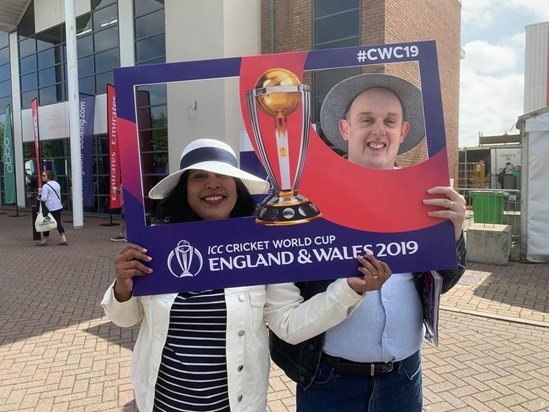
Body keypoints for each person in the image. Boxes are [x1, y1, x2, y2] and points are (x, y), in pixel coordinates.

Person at [101, 138, 392, 412]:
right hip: (164, 403)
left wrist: (349, 290)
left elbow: (289, 325)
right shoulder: (158, 247)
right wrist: (123, 288)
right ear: (184, 190)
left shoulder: (257, 250)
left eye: (222, 176)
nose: (212, 184)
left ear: (236, 187)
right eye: (198, 177)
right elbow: (125, 319)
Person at [270, 73, 467, 412]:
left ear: (402, 132)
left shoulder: (426, 198)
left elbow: (441, 281)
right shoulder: (305, 200)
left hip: (402, 379)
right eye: (367, 120)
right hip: (329, 382)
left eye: (390, 121)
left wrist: (456, 233)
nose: (379, 130)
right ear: (346, 129)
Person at [37, 170, 67, 246]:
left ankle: (44, 241)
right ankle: (63, 238)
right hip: (58, 206)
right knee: (58, 222)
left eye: (44, 175)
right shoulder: (57, 184)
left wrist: (39, 197)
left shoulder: (45, 186)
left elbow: (44, 198)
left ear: (48, 176)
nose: (42, 177)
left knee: (46, 223)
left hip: (50, 207)